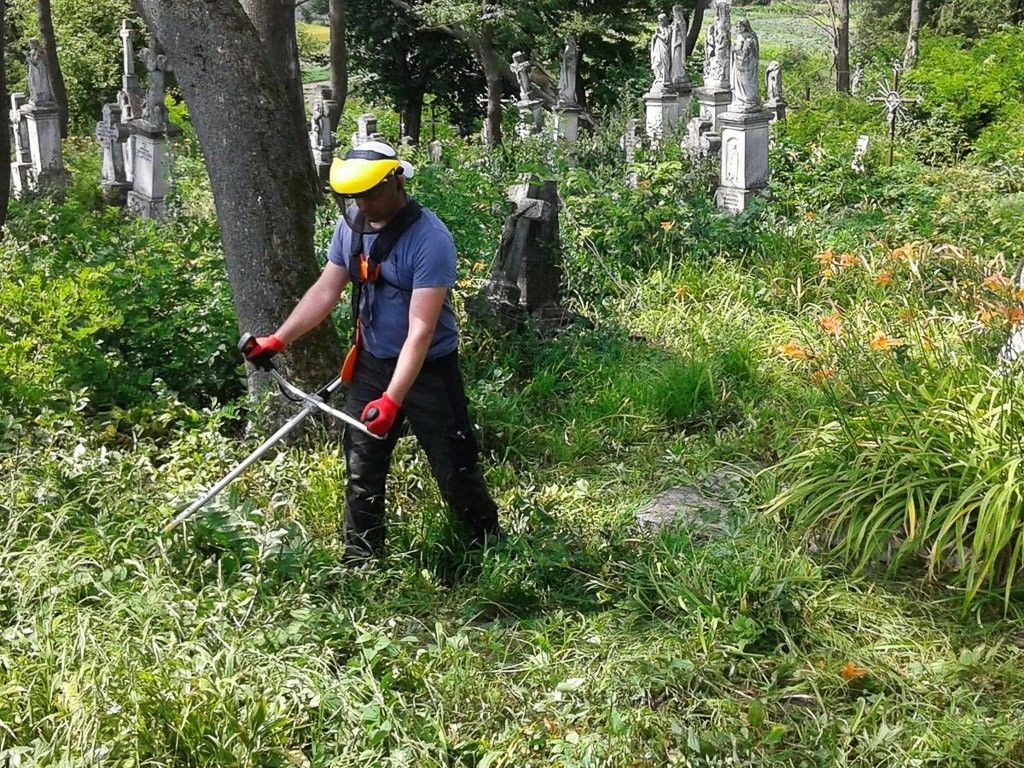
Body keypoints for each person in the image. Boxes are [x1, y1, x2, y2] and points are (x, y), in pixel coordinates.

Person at [243, 141, 501, 561]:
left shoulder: (429, 239)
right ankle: (361, 558)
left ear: (396, 181)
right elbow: (326, 289)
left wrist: (393, 399)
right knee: (362, 466)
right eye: (354, 196)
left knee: (453, 462)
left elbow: (420, 330)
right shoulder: (351, 226)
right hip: (370, 362)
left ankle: (486, 547)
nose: (363, 204)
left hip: (428, 370)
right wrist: (279, 338)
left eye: (371, 193)